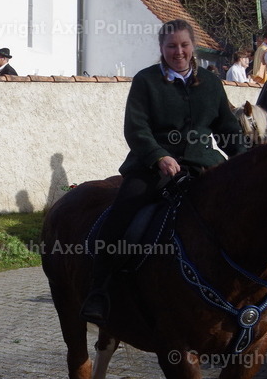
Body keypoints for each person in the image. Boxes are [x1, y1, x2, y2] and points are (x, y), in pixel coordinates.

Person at [80, 19, 246, 325]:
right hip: (151, 167)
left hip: (203, 165)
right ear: (161, 48)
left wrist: (246, 160)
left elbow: (226, 129)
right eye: (171, 46)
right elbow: (136, 128)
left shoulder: (211, 83)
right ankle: (100, 291)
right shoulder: (145, 81)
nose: (178, 52)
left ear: (193, 47)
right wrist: (159, 156)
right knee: (121, 215)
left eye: (184, 45)